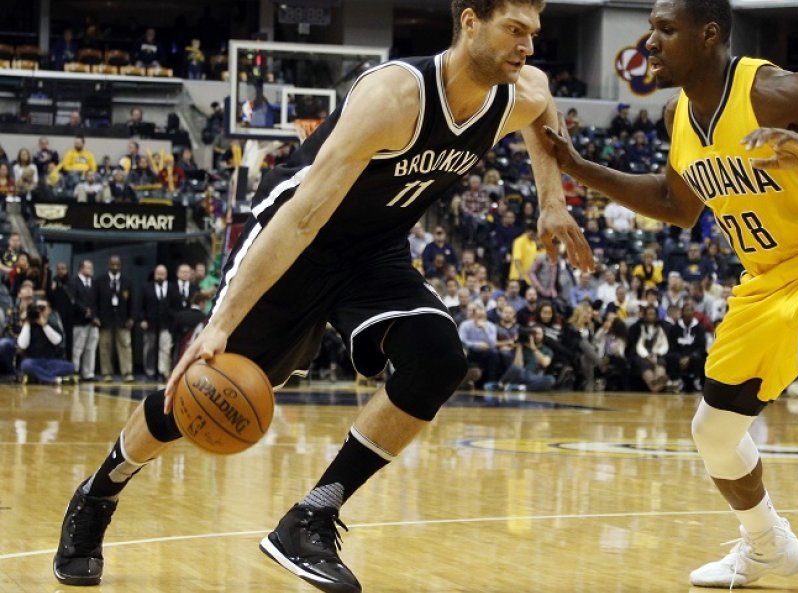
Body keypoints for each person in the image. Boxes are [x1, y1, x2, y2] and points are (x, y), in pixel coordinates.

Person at [53, 2, 593, 591]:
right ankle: (97, 494)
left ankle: (312, 514)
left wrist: (552, 201)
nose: (528, 47)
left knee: (438, 357)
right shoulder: (395, 97)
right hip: (297, 239)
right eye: (514, 30)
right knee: (193, 396)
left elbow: (544, 115)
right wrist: (220, 323)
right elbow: (304, 216)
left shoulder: (521, 89)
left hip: (374, 250)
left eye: (534, 33)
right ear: (469, 22)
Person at [543, 1, 798, 591]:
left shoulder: (773, 92)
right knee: (713, 432)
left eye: (665, 30)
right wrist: (579, 167)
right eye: (650, 28)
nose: (649, 42)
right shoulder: (678, 117)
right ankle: (767, 545)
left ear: (709, 35)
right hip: (767, 280)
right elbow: (677, 206)